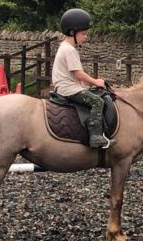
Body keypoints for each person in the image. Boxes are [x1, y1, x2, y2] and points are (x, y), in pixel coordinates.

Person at [52, 8, 111, 148]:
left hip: (66, 86)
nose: (86, 37)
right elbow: (78, 74)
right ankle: (95, 136)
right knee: (97, 101)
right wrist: (96, 81)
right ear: (72, 32)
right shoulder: (70, 50)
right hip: (68, 89)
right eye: (83, 33)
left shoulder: (64, 47)